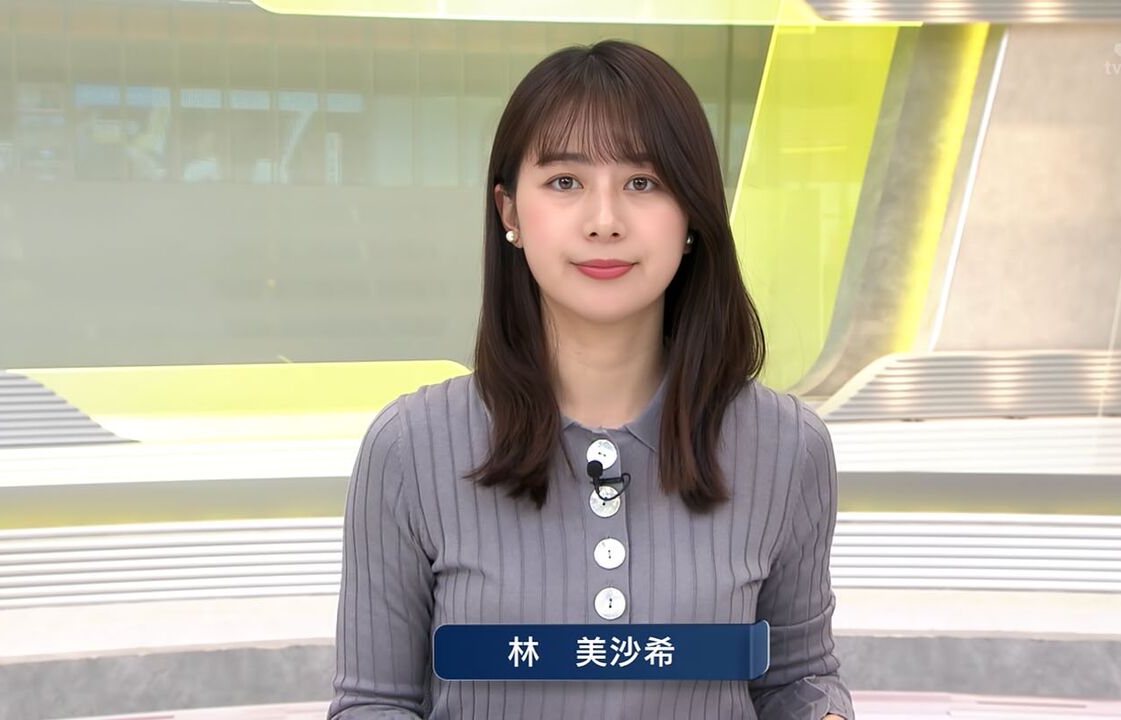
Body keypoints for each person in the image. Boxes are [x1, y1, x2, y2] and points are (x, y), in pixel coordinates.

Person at [328, 39, 853, 720]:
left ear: (692, 215)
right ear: (510, 213)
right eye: (565, 182)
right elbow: (374, 703)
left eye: (643, 183)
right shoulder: (408, 448)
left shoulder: (787, 445)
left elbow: (796, 679)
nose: (605, 222)